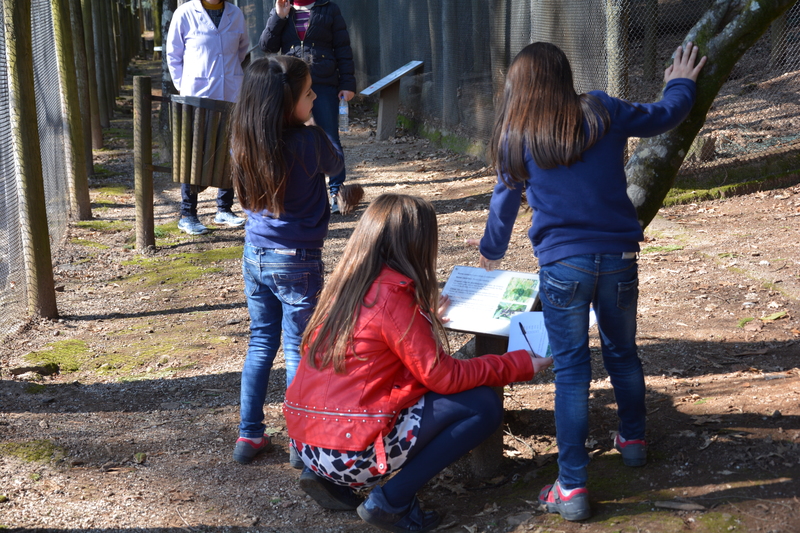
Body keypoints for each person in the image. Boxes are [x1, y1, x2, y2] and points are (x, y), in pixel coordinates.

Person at [470, 42, 706, 521]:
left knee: (573, 373)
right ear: (564, 76)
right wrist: (681, 82)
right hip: (618, 258)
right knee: (623, 353)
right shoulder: (603, 109)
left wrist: (491, 250)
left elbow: (503, 204)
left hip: (562, 267)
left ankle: (572, 487)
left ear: (520, 89)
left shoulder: (517, 135)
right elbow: (665, 115)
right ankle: (634, 440)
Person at [284, 194, 553, 532]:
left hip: (309, 440)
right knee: (482, 405)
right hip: (348, 447)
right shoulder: (393, 297)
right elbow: (442, 377)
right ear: (416, 243)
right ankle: (391, 500)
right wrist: (519, 364)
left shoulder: (344, 286)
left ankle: (334, 481)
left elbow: (376, 343)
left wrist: (421, 316)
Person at [228, 55, 344, 465]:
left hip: (255, 256)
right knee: (297, 349)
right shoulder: (310, 143)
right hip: (297, 260)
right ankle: (301, 442)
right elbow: (337, 162)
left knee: (260, 342)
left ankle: (249, 435)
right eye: (308, 93)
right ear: (285, 103)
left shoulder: (245, 139)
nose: (314, 98)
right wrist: (314, 127)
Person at [259, 0, 356, 214]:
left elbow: (342, 48)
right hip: (292, 87)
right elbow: (267, 46)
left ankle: (337, 192)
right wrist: (279, 16)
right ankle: (305, 192)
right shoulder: (282, 8)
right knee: (291, 137)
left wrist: (347, 84)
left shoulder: (329, 8)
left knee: (328, 137)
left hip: (324, 83)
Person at [166, 0, 249, 235]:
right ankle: (188, 214)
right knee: (194, 153)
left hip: (231, 92)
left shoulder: (236, 13)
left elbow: (242, 49)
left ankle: (224, 209)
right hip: (197, 96)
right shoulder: (184, 13)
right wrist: (185, 86)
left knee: (230, 151)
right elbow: (174, 55)